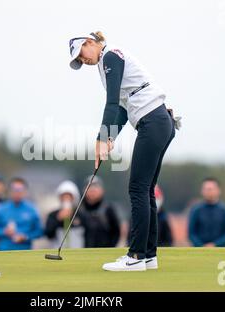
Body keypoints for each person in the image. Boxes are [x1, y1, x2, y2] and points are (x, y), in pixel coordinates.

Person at [68, 31, 178, 271]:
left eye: (81, 54)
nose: (82, 60)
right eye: (78, 60)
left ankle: (136, 255)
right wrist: (107, 138)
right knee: (146, 190)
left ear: (89, 43)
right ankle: (148, 255)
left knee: (137, 188)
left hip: (154, 121)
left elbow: (110, 102)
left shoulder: (110, 56)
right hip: (159, 121)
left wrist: (101, 139)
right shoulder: (106, 62)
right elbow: (121, 109)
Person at [0, 177, 43, 251]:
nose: (17, 192)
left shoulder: (32, 209)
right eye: (14, 190)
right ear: (10, 191)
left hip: (25, 251)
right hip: (4, 251)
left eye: (20, 190)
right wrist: (4, 231)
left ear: (25, 191)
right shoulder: (1, 208)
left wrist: (26, 237)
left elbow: (39, 231)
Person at [188, 178, 225, 247]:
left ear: (218, 190)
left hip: (221, 251)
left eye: (211, 189)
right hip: (199, 252)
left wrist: (215, 245)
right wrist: (202, 246)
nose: (208, 191)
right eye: (206, 189)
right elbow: (191, 233)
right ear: (202, 191)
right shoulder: (195, 210)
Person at [80, 176, 123, 248]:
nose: (92, 190)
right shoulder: (79, 210)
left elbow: (116, 232)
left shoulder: (109, 209)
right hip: (82, 252)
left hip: (105, 251)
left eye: (96, 187)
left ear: (102, 190)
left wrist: (110, 248)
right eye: (90, 188)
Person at [45, 180, 84, 248]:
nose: (66, 198)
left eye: (69, 196)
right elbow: (49, 235)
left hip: (77, 253)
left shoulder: (80, 214)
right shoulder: (53, 215)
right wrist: (58, 219)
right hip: (58, 252)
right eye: (63, 196)